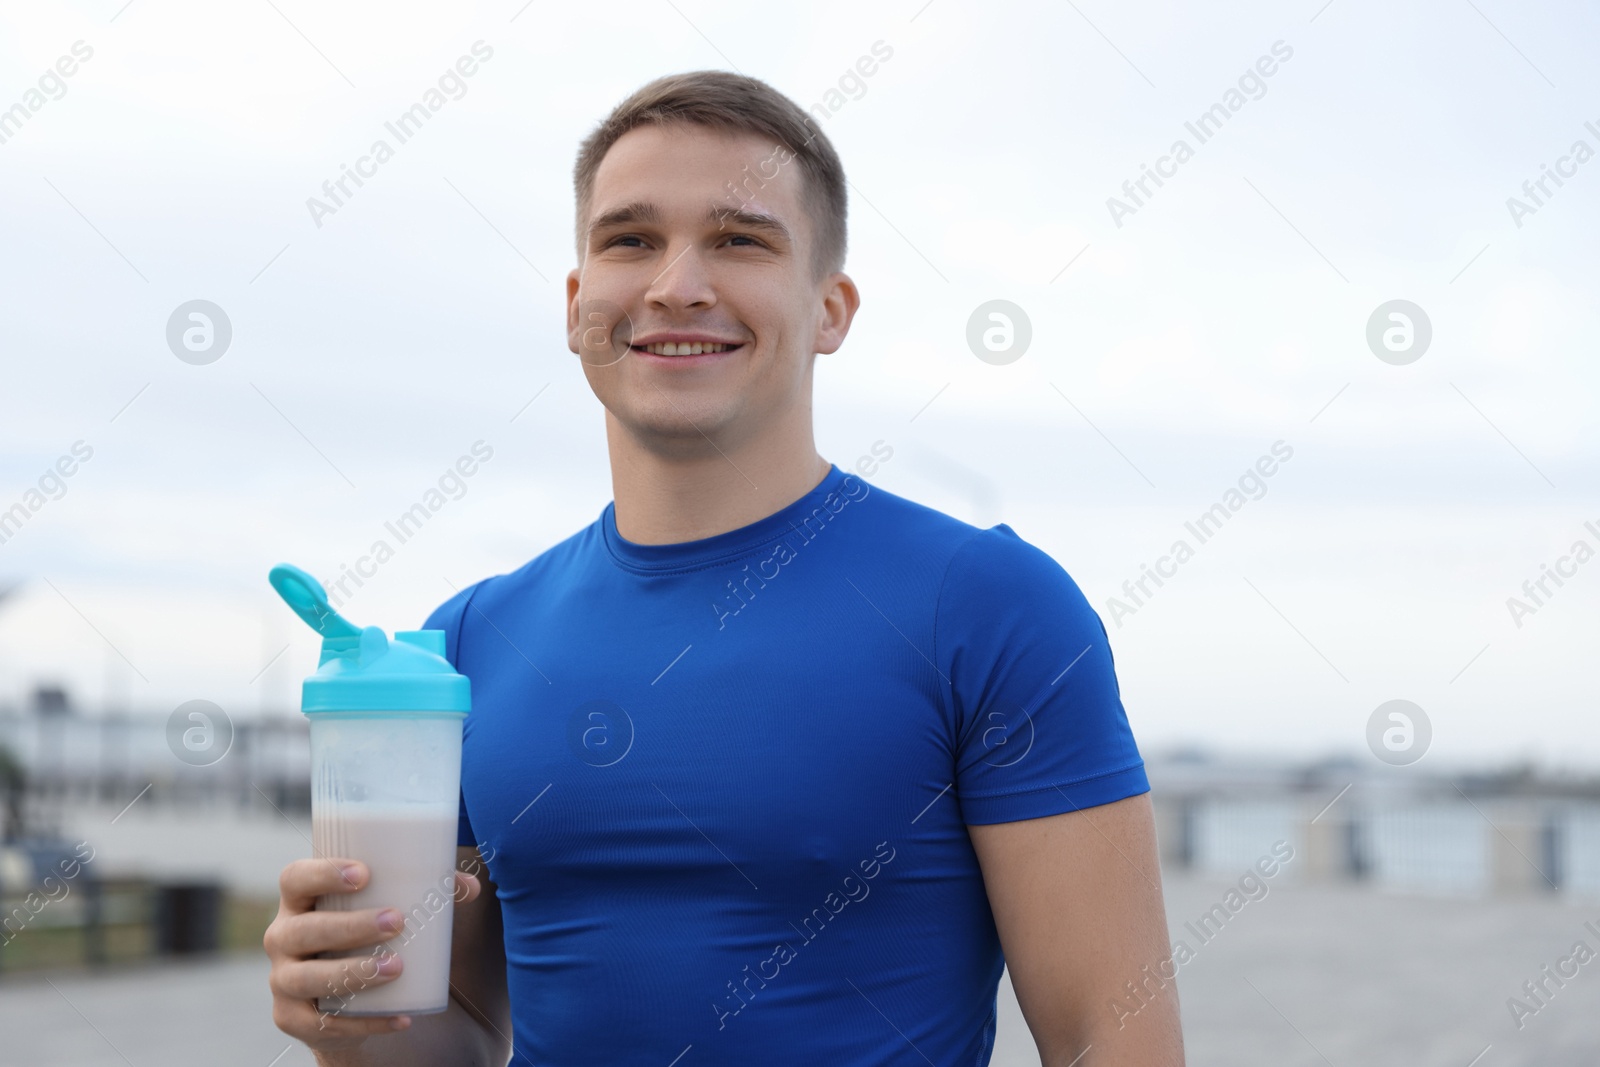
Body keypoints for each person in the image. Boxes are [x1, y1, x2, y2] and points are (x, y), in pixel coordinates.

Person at [265, 69, 1184, 1066]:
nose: (676, 284)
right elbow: (459, 1036)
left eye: (740, 239)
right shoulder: (464, 642)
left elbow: (1110, 1036)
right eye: (631, 239)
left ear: (830, 308)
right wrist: (346, 1017)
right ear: (578, 305)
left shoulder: (988, 608)